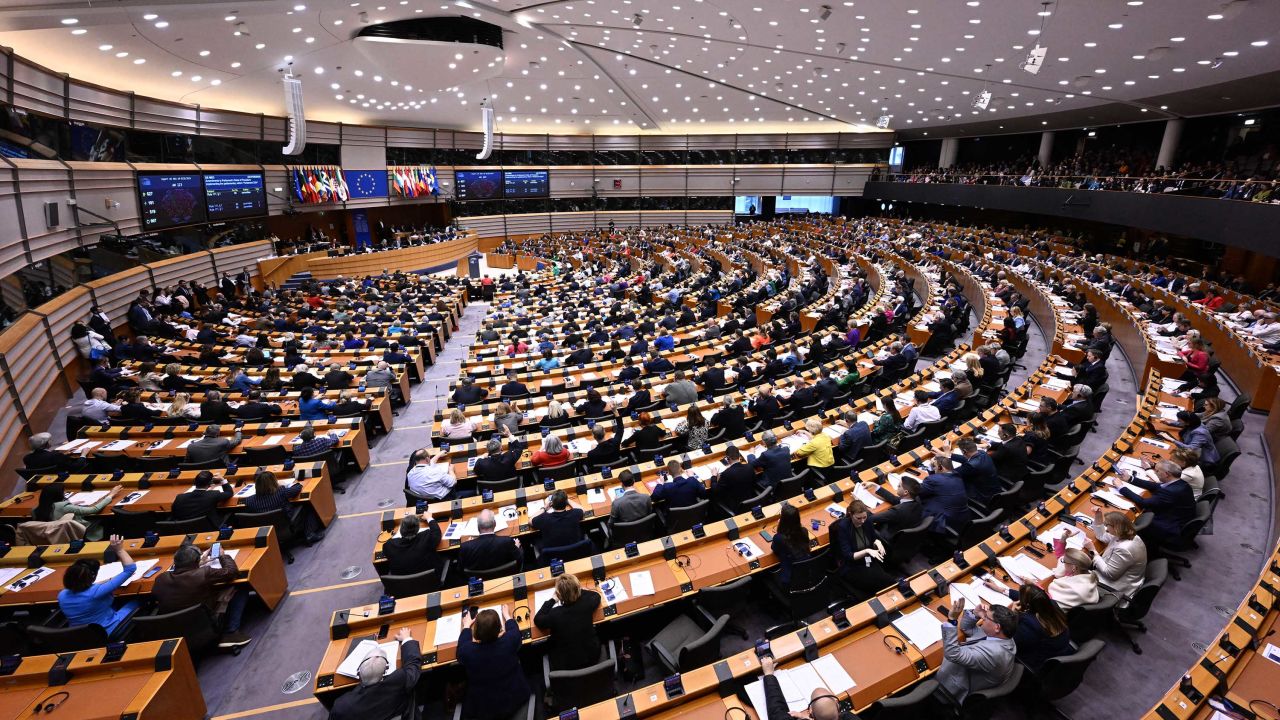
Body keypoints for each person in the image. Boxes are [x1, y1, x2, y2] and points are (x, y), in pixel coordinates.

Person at [152, 543, 253, 649]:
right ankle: (231, 633)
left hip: (175, 629)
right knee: (241, 586)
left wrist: (198, 563)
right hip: (205, 624)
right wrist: (223, 555)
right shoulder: (203, 573)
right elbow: (232, 572)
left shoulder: (160, 579)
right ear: (196, 561)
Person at [328, 626, 422, 720]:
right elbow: (413, 665)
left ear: (359, 672)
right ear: (385, 671)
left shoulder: (342, 707)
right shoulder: (398, 682)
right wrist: (406, 639)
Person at [936, 599, 1017, 705]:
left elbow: (952, 654)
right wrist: (975, 613)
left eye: (987, 618)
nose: (983, 619)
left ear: (997, 627)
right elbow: (966, 628)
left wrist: (952, 620)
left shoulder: (994, 653)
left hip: (958, 686)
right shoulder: (1004, 637)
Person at [57, 535, 139, 638]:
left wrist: (110, 581)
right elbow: (130, 568)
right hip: (107, 632)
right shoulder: (96, 592)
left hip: (79, 637)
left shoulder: (62, 595)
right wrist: (119, 549)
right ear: (92, 576)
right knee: (137, 601)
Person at [457, 607, 531, 720]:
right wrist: (507, 616)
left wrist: (466, 626)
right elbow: (515, 631)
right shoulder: (509, 642)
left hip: (484, 709)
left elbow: (461, 648)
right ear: (500, 629)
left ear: (475, 632)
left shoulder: (469, 652)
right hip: (515, 698)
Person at [1115, 459, 1195, 547]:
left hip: (1169, 526)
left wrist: (1121, 488)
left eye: (1157, 471)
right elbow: (1157, 486)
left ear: (1167, 474)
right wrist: (1130, 479)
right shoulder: (1180, 483)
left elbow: (1143, 502)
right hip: (1179, 517)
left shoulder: (1170, 492)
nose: (1155, 472)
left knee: (1128, 520)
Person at [534, 574, 602, 671]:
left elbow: (538, 619)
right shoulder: (587, 603)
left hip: (566, 665)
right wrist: (575, 589)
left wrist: (552, 600)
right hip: (592, 657)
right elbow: (596, 595)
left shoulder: (555, 614)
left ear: (559, 595)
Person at [759, 653, 856, 720]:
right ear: (838, 706)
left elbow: (777, 712)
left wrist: (768, 674)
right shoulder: (850, 717)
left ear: (811, 712)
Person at [831, 498, 894, 597]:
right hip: (852, 566)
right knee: (877, 586)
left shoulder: (867, 521)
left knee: (889, 582)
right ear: (851, 515)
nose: (862, 521)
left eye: (864, 517)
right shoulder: (843, 527)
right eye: (858, 518)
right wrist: (867, 551)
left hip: (868, 561)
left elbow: (872, 539)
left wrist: (877, 542)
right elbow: (848, 556)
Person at [1007, 584, 1072, 672]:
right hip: (1061, 652)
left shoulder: (1029, 625)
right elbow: (1034, 596)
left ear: (1027, 606)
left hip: (1037, 663)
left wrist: (1012, 615)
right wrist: (1004, 590)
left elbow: (1009, 642)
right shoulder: (1052, 605)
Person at [1089, 509, 1148, 601]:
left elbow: (1110, 574)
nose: (1106, 527)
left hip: (1114, 587)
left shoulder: (1124, 549)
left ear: (1115, 527)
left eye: (1107, 525)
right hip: (1123, 577)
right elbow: (1101, 536)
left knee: (1078, 572)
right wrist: (1098, 516)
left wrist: (1094, 553)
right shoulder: (1127, 535)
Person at [33, 482, 121, 540]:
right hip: (82, 534)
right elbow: (94, 509)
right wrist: (111, 495)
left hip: (55, 538)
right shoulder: (64, 507)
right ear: (58, 495)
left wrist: (69, 505)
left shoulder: (36, 510)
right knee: (109, 520)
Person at [861, 475, 924, 540]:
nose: (897, 486)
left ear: (906, 492)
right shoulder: (916, 499)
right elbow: (895, 499)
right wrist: (875, 485)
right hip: (907, 532)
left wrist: (861, 505)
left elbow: (871, 518)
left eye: (899, 486)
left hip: (890, 535)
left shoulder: (897, 511)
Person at [919, 456, 970, 534]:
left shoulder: (933, 480)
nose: (933, 468)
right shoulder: (956, 475)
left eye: (934, 467)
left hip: (942, 524)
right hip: (961, 520)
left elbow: (917, 491)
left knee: (912, 503)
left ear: (940, 467)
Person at [947, 437, 1000, 507]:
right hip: (993, 489)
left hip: (983, 495)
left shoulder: (970, 466)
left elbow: (951, 474)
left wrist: (938, 465)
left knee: (951, 485)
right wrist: (948, 455)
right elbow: (966, 459)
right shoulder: (982, 453)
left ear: (964, 451)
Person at [770, 503, 811, 587]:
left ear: (782, 521)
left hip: (789, 580)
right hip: (807, 573)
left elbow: (774, 550)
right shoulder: (804, 531)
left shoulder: (779, 538)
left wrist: (779, 529)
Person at [711, 446, 757, 510]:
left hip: (736, 505)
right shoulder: (749, 467)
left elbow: (715, 491)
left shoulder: (726, 474)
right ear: (739, 456)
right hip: (751, 499)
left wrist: (714, 476)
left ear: (727, 458)